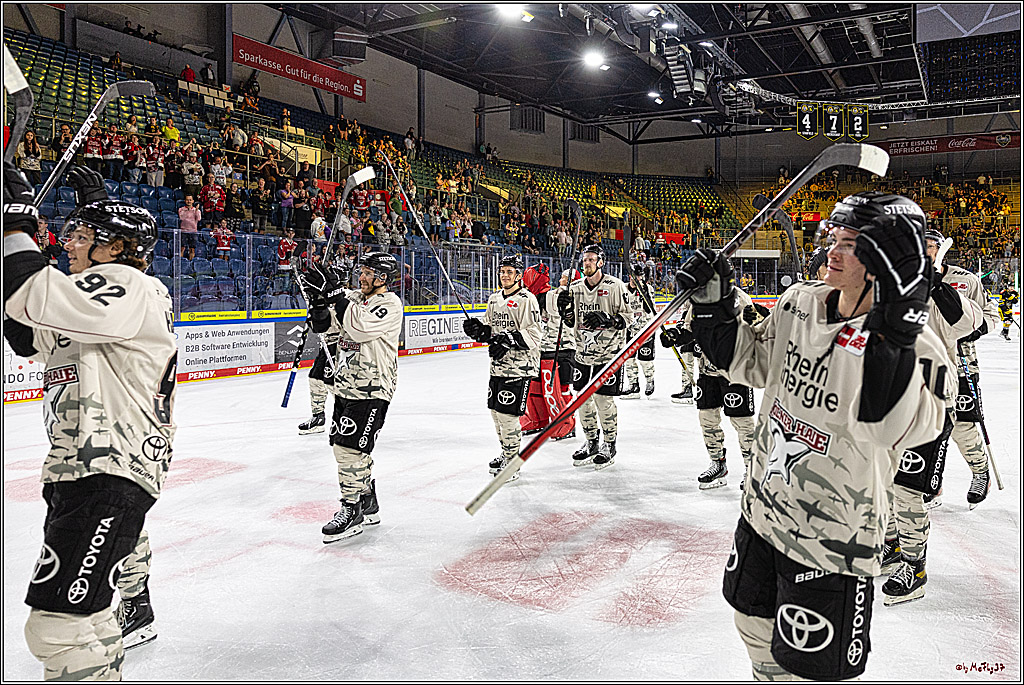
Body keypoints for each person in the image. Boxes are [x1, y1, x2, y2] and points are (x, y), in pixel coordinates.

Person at [683, 191, 951, 680]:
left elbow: (901, 427)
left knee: (813, 667)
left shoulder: (922, 348)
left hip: (833, 535)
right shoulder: (798, 303)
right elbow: (750, 363)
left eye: (851, 244)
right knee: (749, 620)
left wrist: (893, 335)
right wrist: (713, 307)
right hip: (762, 512)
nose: (833, 249)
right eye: (835, 237)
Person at [4, 162, 176, 677]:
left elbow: (31, 292)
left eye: (82, 236)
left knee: (57, 626)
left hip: (110, 468)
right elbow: (23, 332)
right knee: (93, 617)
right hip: (80, 468)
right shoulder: (91, 296)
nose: (68, 244)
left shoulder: (128, 285)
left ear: (116, 250)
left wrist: (15, 226)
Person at [881, 226, 985, 607]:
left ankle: (915, 566)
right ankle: (892, 545)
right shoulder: (892, 284)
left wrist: (938, 286)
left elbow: (975, 326)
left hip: (933, 396)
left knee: (909, 487)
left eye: (930, 247)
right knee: (885, 481)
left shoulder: (950, 286)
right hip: (890, 396)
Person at [302, 252, 403, 542]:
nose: (362, 276)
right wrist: (319, 303)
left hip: (373, 387)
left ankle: (352, 508)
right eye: (362, 271)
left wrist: (334, 295)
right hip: (346, 384)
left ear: (383, 278)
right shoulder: (354, 298)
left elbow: (359, 329)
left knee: (349, 450)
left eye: (369, 273)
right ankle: (367, 499)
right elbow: (326, 328)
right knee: (346, 445)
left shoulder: (389, 304)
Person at [462, 254, 543, 480]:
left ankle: (513, 462)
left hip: (520, 367)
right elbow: (490, 329)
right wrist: (478, 330)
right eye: (502, 271)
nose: (504, 275)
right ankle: (507, 452)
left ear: (518, 275)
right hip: (497, 365)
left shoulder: (527, 299)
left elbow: (536, 334)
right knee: (496, 413)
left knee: (508, 416)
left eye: (509, 271)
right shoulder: (494, 298)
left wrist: (508, 339)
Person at [556, 245, 633, 469]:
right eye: (584, 259)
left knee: (603, 401)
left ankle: (609, 444)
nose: (586, 263)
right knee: (582, 401)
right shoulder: (575, 288)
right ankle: (591, 442)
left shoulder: (615, 286)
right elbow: (570, 322)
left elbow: (629, 318)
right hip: (582, 354)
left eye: (591, 259)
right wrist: (565, 311)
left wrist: (608, 319)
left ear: (601, 262)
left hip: (608, 355)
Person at [621, 268, 657, 399]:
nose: (635, 279)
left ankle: (649, 381)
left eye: (639, 276)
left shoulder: (648, 288)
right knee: (629, 360)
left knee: (645, 360)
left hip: (645, 329)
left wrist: (644, 293)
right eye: (633, 276)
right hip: (629, 330)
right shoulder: (623, 289)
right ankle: (633, 386)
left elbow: (649, 309)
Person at [178, 195, 201, 259]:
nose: (189, 201)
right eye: (187, 200)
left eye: (190, 200)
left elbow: (198, 219)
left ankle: (191, 263)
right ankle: (181, 262)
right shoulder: (181, 209)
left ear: (193, 201)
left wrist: (196, 210)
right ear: (185, 201)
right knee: (182, 248)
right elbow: (181, 218)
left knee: (192, 249)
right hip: (184, 231)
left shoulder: (197, 211)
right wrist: (187, 210)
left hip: (193, 231)